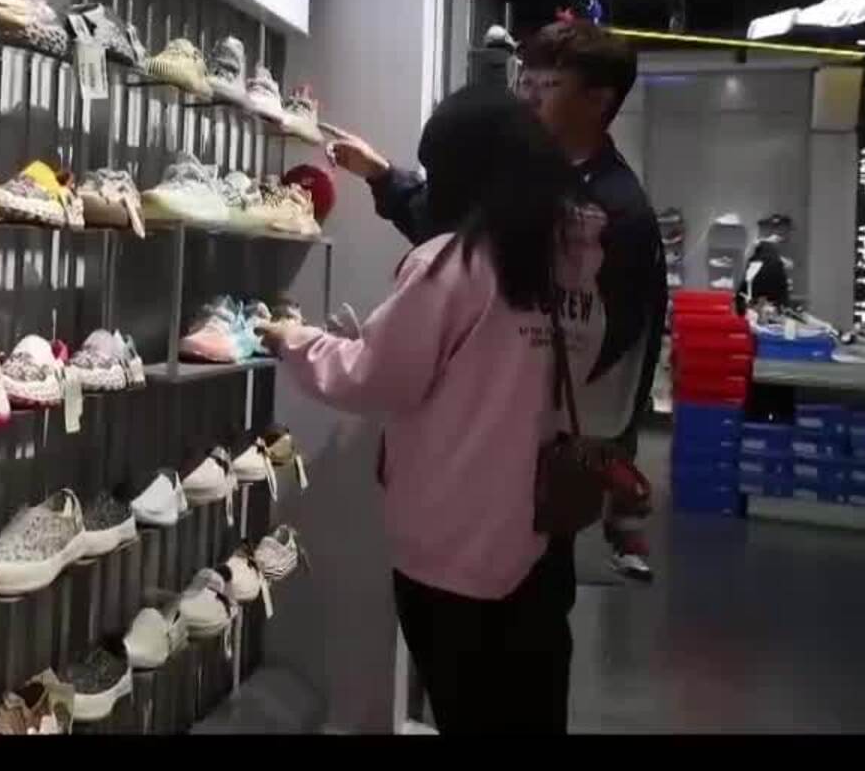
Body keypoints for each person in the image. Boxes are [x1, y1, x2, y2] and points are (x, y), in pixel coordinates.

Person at [258, 86, 607, 732]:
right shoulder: (573, 260)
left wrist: (296, 340)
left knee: (465, 708)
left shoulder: (456, 262)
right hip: (541, 528)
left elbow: (375, 379)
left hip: (454, 535)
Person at [327, 18, 664, 581]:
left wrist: (592, 447)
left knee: (520, 596)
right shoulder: (533, 175)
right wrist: (383, 177)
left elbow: (619, 349)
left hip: (540, 455)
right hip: (493, 452)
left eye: (546, 86)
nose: (526, 98)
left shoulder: (615, 213)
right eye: (523, 81)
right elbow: (457, 229)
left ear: (598, 100)